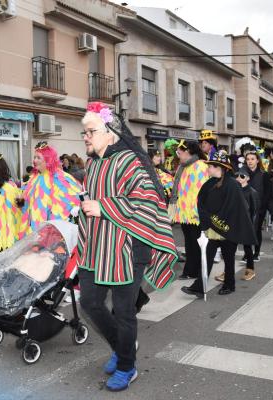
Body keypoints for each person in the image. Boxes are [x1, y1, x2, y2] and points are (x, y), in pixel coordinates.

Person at [77, 102, 178, 391]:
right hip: (97, 247)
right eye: (84, 132)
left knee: (123, 311)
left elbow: (147, 201)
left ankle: (126, 365)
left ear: (110, 132)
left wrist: (103, 206)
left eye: (91, 131)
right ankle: (123, 347)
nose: (85, 137)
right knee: (90, 303)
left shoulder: (131, 162)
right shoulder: (92, 163)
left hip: (128, 248)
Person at [181, 151, 256, 298]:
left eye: (210, 167)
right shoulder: (209, 183)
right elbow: (201, 203)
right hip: (211, 229)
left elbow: (236, 207)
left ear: (218, 168)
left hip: (228, 229)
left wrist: (216, 219)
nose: (207, 169)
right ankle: (199, 287)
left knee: (228, 259)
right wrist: (205, 218)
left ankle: (229, 285)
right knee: (206, 258)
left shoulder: (232, 185)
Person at [18, 141, 82, 235]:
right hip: (34, 229)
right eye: (34, 157)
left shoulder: (60, 177)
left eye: (38, 157)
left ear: (48, 159)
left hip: (53, 231)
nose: (34, 161)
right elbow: (27, 202)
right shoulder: (34, 178)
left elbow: (73, 199)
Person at [171, 140, 209, 281]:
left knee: (197, 242)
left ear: (187, 152)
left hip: (195, 212)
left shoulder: (201, 166)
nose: (178, 156)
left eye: (179, 153)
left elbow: (204, 190)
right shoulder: (183, 167)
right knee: (189, 242)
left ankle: (199, 271)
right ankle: (190, 270)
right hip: (183, 212)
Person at [216, 166, 259, 282]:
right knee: (229, 250)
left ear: (248, 178)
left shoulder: (252, 192)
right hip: (233, 223)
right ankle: (227, 272)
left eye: (242, 176)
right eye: (237, 176)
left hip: (246, 224)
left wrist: (251, 226)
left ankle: (250, 270)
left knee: (247, 247)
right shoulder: (234, 189)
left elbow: (254, 211)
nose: (239, 178)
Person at [244, 150, 271, 261]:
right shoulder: (242, 174)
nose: (250, 161)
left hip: (259, 208)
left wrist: (262, 208)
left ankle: (257, 252)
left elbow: (267, 193)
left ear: (257, 160)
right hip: (245, 207)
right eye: (248, 159)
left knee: (256, 230)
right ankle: (247, 253)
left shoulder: (264, 174)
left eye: (252, 159)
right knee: (245, 230)